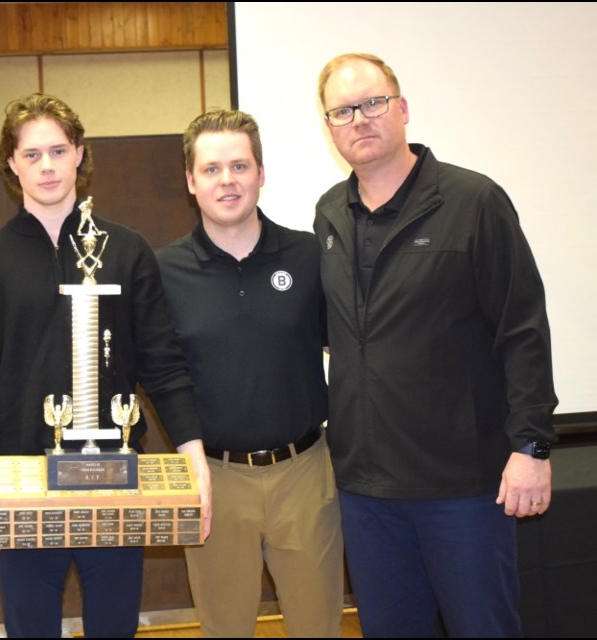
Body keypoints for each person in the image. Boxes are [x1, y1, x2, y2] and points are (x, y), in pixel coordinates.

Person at [0, 93, 211, 638]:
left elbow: (163, 363)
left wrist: (194, 457)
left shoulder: (128, 250)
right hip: (20, 484)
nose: (46, 166)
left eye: (58, 151)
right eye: (32, 154)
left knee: (115, 627)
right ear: (12, 163)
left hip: (112, 479)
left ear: (78, 155)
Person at [313, 53, 558, 637]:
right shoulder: (329, 214)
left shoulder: (474, 203)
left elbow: (522, 329)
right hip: (366, 491)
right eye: (343, 110)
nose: (360, 119)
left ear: (402, 109)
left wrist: (532, 446)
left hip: (464, 489)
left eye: (373, 103)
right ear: (329, 127)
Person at [157, 109, 343, 637]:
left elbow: (350, 350)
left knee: (318, 627)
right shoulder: (163, 271)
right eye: (211, 169)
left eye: (240, 165)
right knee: (224, 629)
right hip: (214, 479)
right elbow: (162, 372)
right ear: (191, 181)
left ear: (261, 173)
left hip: (305, 473)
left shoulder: (310, 256)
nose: (227, 180)